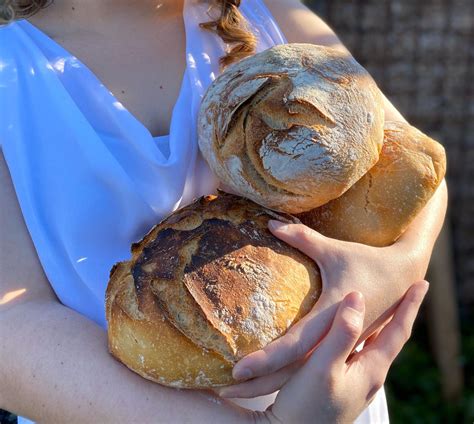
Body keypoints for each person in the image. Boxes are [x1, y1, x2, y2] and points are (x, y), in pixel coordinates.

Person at [0, 0, 447, 422]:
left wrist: (390, 274)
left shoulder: (269, 14)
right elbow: (12, 327)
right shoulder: (11, 71)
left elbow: (412, 162)